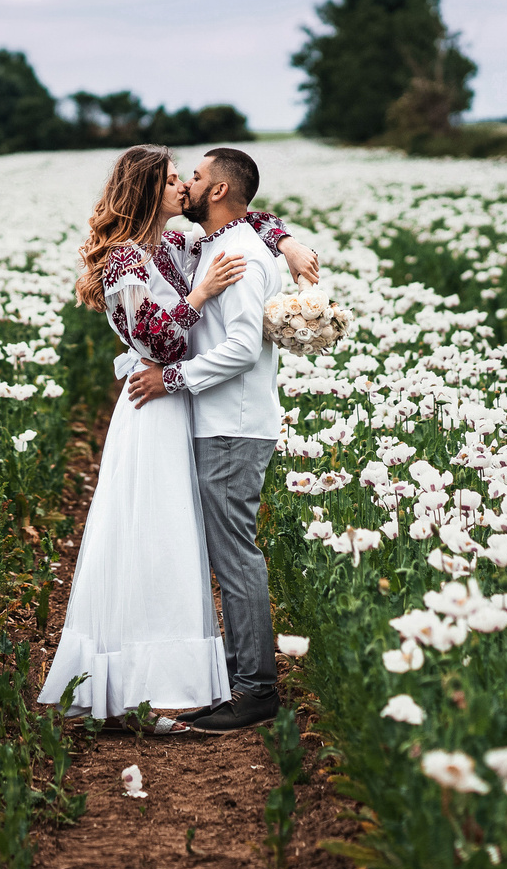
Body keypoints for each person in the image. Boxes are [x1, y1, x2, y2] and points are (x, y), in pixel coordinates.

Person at [38, 145, 317, 730]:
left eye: (190, 178)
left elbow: (242, 215)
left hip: (183, 401)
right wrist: (198, 298)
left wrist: (286, 240)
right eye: (172, 180)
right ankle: (137, 679)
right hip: (157, 401)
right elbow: (160, 342)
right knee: (148, 539)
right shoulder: (124, 261)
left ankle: (223, 685)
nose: (185, 187)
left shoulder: (176, 244)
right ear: (147, 194)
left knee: (180, 544)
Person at [125, 145, 286, 734]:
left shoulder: (238, 253)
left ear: (218, 191)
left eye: (194, 176)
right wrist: (288, 238)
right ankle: (241, 677)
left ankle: (255, 690)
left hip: (231, 423)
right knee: (228, 551)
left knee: (234, 553)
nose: (187, 185)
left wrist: (172, 379)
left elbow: (242, 348)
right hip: (220, 420)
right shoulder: (220, 244)